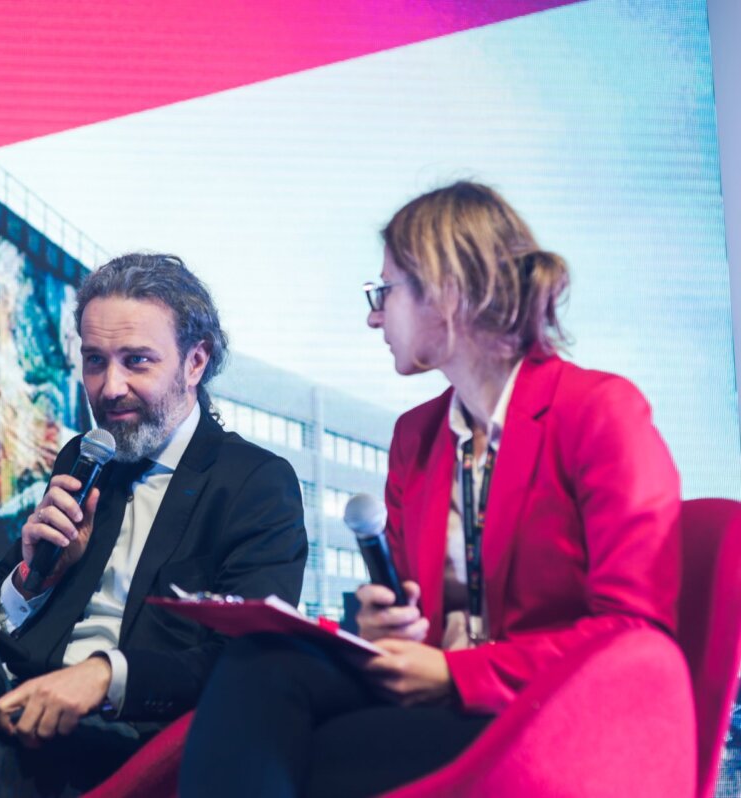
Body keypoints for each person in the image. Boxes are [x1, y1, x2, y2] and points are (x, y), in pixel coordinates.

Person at [179, 180, 681, 798]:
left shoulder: (600, 412)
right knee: (259, 666)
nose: (372, 315)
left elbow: (635, 634)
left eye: (384, 291)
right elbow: (415, 616)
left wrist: (455, 674)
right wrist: (380, 621)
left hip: (547, 720)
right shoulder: (415, 436)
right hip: (437, 705)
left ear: (444, 292)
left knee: (302, 759)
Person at [0, 253, 308, 796]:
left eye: (137, 361)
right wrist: (33, 581)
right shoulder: (84, 455)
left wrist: (106, 674)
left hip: (127, 742)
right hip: (26, 711)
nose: (109, 387)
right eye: (95, 361)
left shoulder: (253, 482)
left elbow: (250, 661)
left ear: (196, 362)